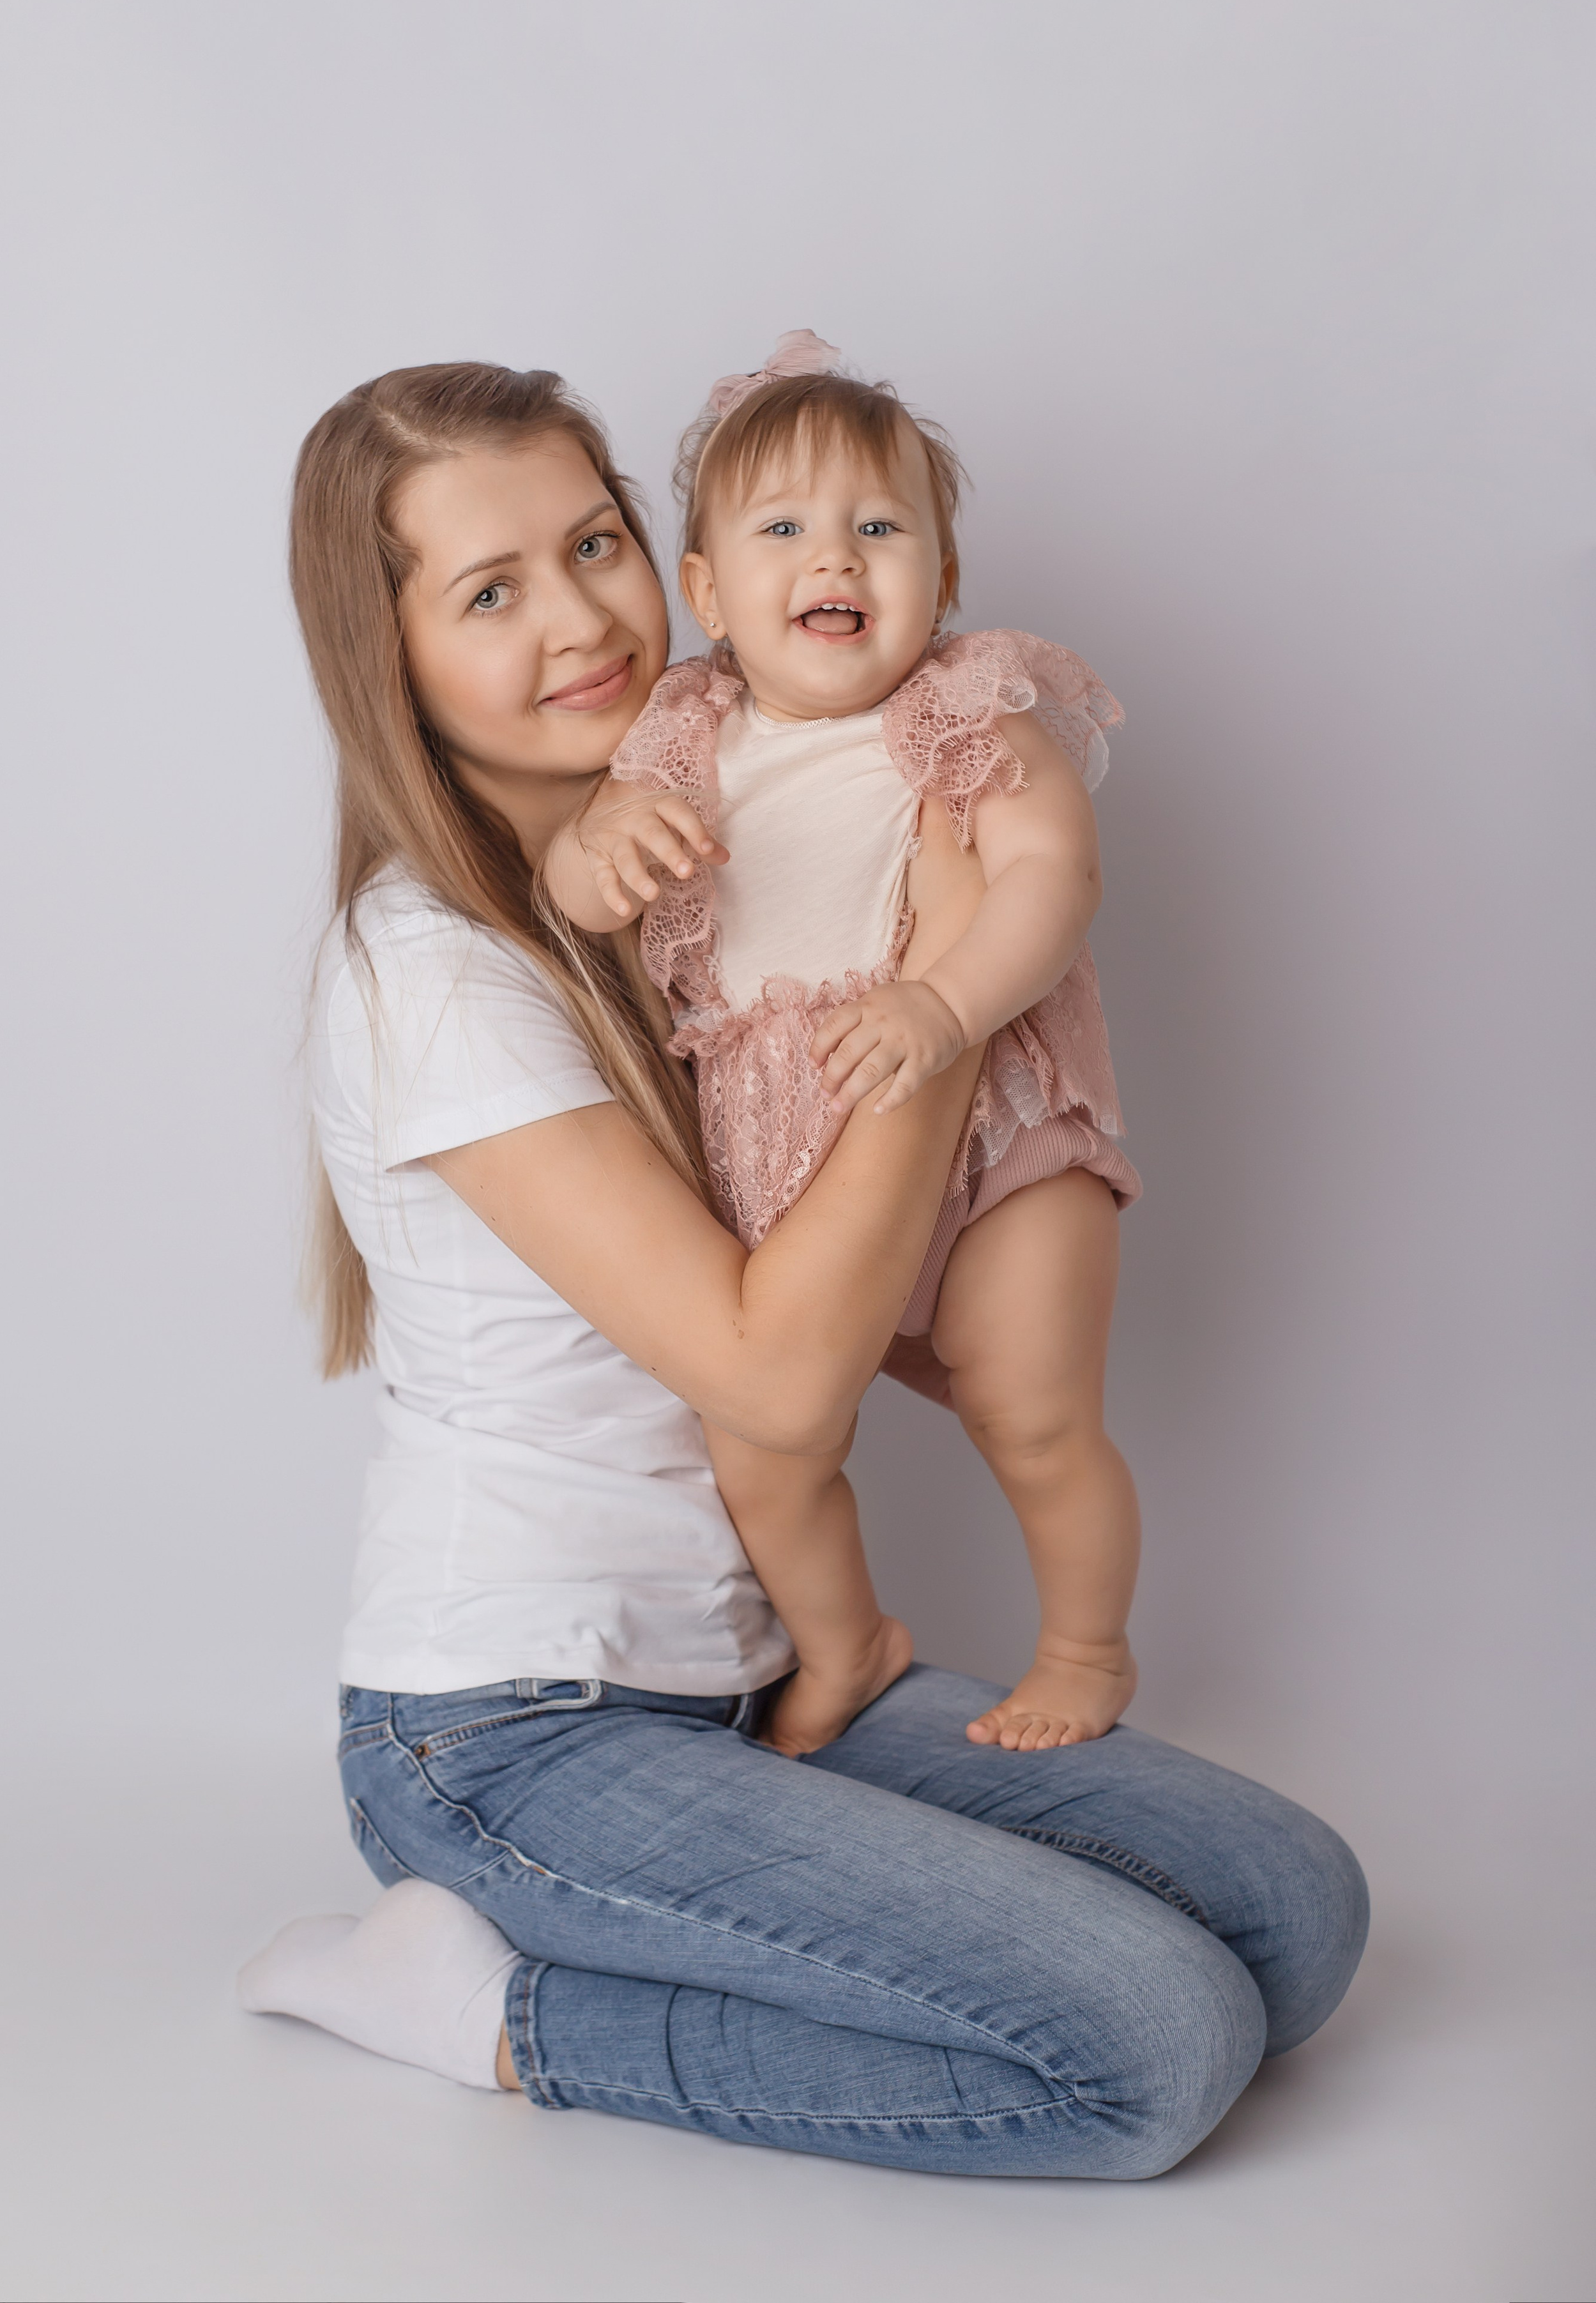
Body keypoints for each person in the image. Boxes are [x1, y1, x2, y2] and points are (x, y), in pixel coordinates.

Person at [237, 359, 1367, 2178]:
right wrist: (928, 988)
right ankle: (478, 2002)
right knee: (1152, 2052)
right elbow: (774, 1380)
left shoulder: (686, 842)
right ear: (392, 658)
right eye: (490, 589)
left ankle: (793, 1889)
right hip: (513, 1729)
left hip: (750, 1672)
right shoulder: (435, 968)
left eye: (594, 545)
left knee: (1297, 1916)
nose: (583, 616)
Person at [543, 330, 1142, 1758]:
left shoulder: (956, 711)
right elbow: (570, 893)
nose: (836, 558)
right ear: (705, 595)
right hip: (779, 1158)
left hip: (986, 1123)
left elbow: (1053, 875)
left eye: (880, 528)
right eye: (784, 529)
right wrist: (598, 847)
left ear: (939, 579)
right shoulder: (681, 732)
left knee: (1034, 1410)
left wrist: (943, 1003)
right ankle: (846, 1639)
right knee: (761, 1441)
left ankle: (1086, 1647)